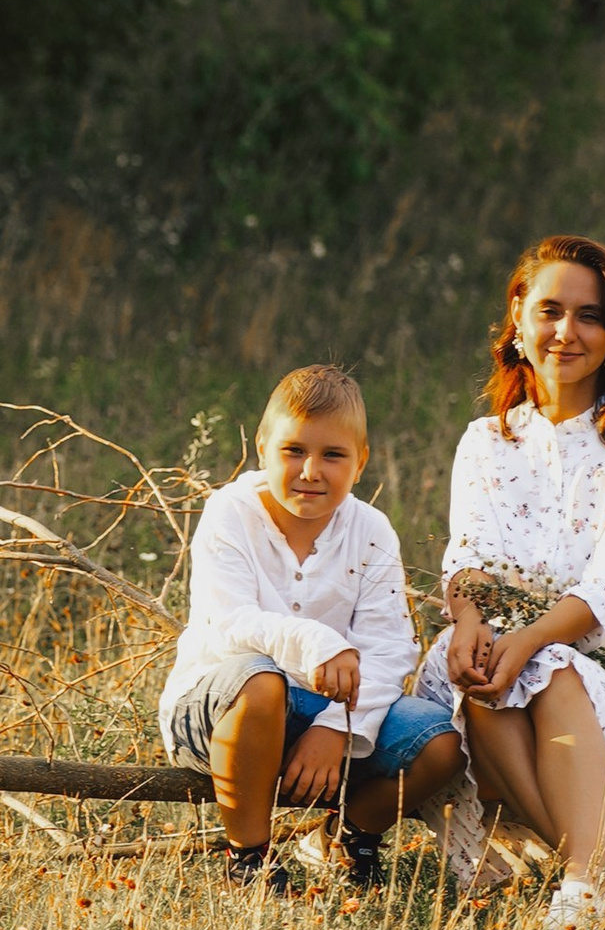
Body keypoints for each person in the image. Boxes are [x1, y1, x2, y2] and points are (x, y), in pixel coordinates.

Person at [420, 234, 605, 930]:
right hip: (503, 661)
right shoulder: (486, 441)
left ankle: (581, 882)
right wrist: (469, 623)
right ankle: (598, 876)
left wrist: (526, 642)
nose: (566, 332)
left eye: (590, 316)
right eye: (550, 311)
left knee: (545, 666)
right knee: (483, 673)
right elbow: (469, 556)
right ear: (518, 321)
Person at [159, 364, 466, 891]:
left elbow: (389, 647)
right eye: (293, 450)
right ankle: (249, 858)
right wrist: (318, 642)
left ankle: (345, 836)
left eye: (333, 455)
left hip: (328, 718)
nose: (310, 471)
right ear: (262, 447)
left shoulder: (371, 530)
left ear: (361, 462)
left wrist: (336, 728)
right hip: (220, 712)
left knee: (441, 743)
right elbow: (229, 622)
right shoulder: (230, 512)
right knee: (261, 679)